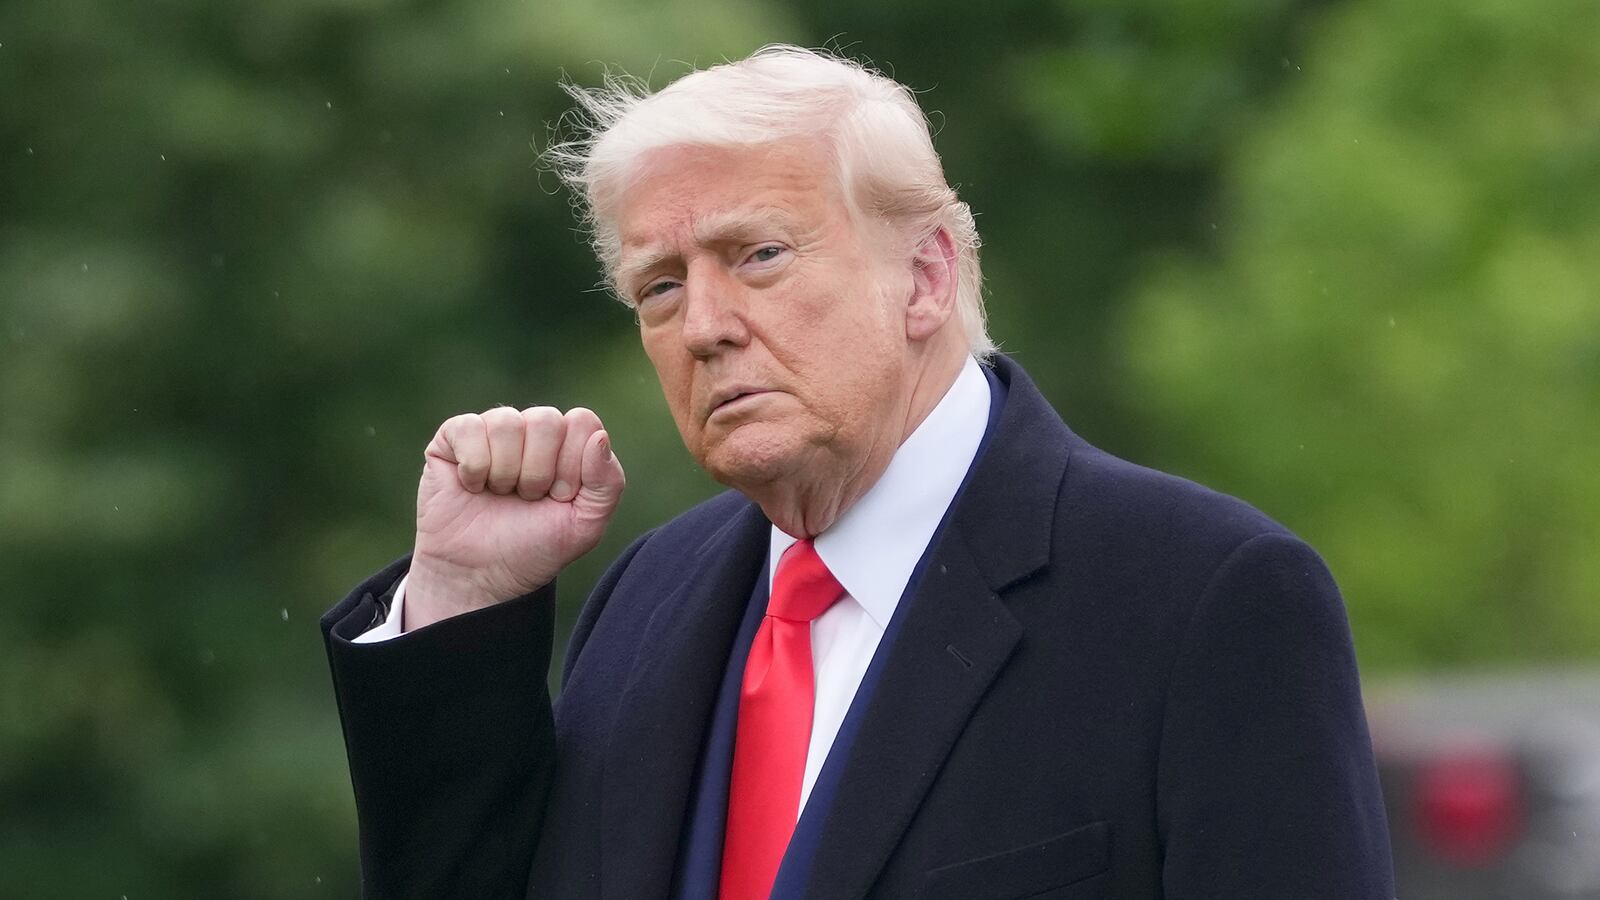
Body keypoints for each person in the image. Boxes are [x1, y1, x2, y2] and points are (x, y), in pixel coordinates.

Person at [322, 45, 1395, 899]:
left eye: (759, 256)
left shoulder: (1203, 597)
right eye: (658, 286)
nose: (702, 326)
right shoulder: (645, 600)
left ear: (925, 275)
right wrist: (463, 596)